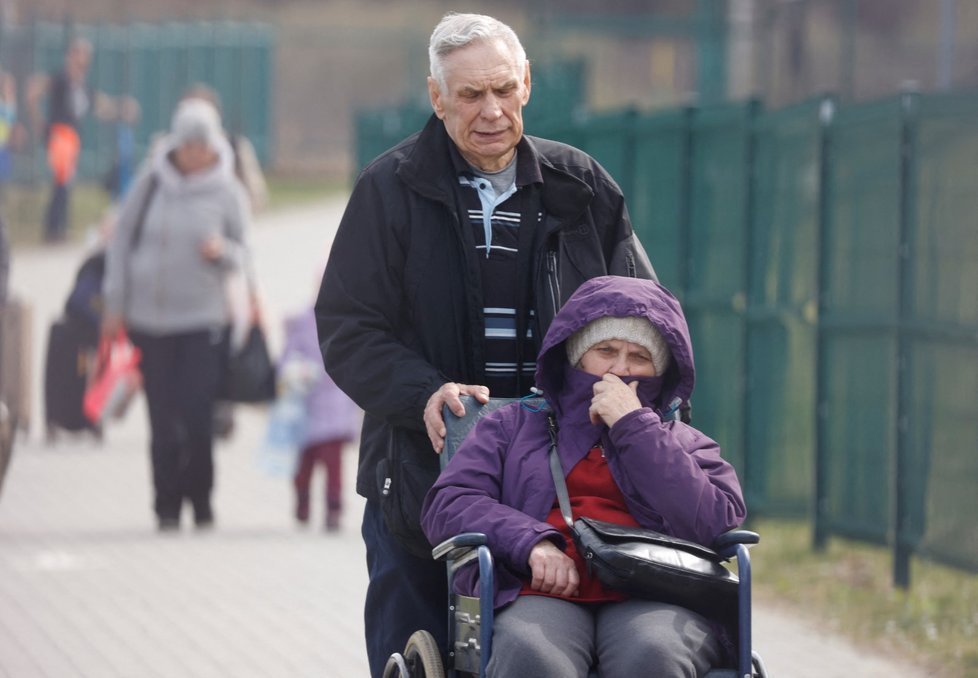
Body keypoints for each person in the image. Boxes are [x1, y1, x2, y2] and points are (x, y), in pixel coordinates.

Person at [315, 12, 655, 676]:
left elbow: (642, 319)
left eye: (503, 89)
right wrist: (424, 392)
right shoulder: (390, 191)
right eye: (470, 95)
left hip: (564, 483)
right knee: (414, 653)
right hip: (419, 480)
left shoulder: (579, 188)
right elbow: (348, 327)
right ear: (438, 98)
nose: (491, 110)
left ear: (526, 83)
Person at [421, 275, 746, 677]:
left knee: (653, 654)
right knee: (533, 655)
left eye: (640, 357)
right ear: (576, 356)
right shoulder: (512, 426)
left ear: (660, 369)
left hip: (655, 593)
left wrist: (635, 427)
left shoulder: (684, 442)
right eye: (605, 350)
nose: (620, 368)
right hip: (539, 588)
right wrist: (530, 543)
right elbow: (449, 503)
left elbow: (716, 524)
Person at [101, 98, 252, 531]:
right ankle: (165, 505)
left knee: (198, 416)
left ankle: (201, 503)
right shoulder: (151, 182)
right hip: (149, 322)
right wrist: (115, 303)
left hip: (202, 323)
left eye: (201, 145)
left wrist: (222, 251)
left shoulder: (227, 191)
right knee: (162, 418)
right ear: (175, 145)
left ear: (213, 147)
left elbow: (244, 253)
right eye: (186, 145)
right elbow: (121, 240)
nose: (193, 154)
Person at [26, 38, 137, 243]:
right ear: (71, 55)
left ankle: (58, 228)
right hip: (60, 134)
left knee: (66, 182)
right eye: (79, 54)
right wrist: (40, 123)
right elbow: (34, 92)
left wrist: (121, 108)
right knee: (62, 181)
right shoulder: (60, 78)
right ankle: (53, 229)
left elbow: (101, 106)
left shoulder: (83, 85)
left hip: (72, 137)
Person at [279, 303, 360, 531]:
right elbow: (287, 357)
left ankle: (333, 509)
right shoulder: (302, 321)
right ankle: (302, 501)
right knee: (305, 461)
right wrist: (297, 372)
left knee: (333, 462)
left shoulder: (350, 317)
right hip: (308, 403)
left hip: (336, 403)